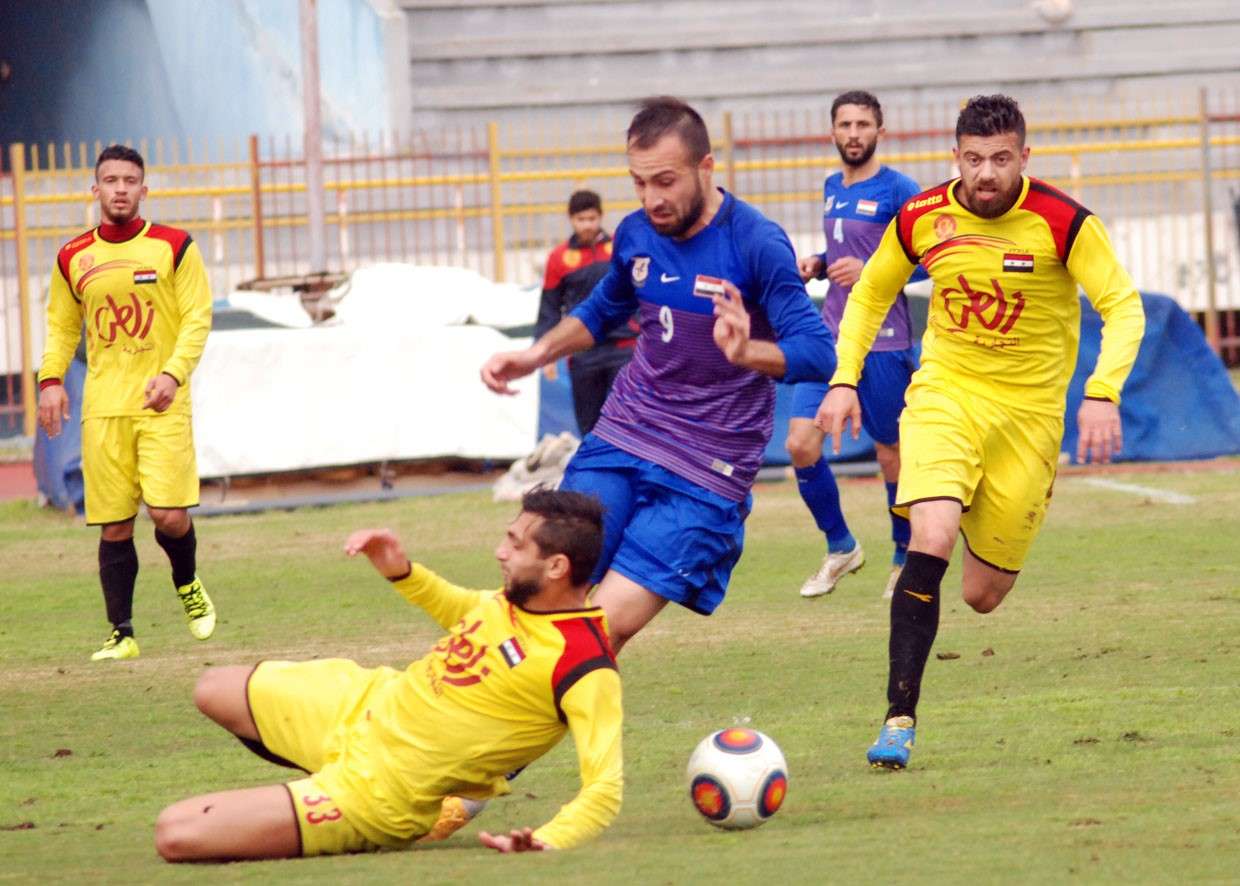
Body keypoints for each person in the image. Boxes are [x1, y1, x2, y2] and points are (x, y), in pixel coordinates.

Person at [817, 95, 1145, 769]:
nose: (986, 174)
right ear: (955, 157)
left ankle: (973, 506)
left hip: (1027, 420)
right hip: (947, 396)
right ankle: (898, 719)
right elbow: (872, 292)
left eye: (1001, 159)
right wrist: (844, 376)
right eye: (973, 160)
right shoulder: (923, 216)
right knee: (929, 535)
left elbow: (1123, 307)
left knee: (981, 595)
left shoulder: (1064, 222)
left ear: (1025, 156)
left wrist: (1101, 392)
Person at [482, 96, 836, 655]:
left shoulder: (756, 242)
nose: (651, 199)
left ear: (706, 167)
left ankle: (581, 737)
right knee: (542, 592)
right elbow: (603, 309)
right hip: (625, 433)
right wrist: (533, 355)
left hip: (705, 465)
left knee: (600, 628)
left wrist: (749, 353)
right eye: (639, 183)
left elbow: (818, 353)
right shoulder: (636, 234)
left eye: (665, 181)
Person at [154, 488, 622, 861]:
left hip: (381, 790)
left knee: (175, 832)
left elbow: (603, 788)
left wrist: (550, 838)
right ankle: (313, 786)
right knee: (212, 688)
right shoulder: (514, 599)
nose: (500, 552)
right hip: (363, 707)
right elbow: (463, 608)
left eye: (516, 545)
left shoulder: (584, 665)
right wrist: (401, 571)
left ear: (557, 566)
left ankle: (333, 806)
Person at [37, 145, 215, 661]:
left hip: (161, 402)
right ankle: (122, 633)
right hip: (104, 407)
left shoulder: (174, 246)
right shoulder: (73, 256)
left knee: (167, 514)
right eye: (110, 180)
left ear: (144, 189)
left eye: (129, 180)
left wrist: (172, 374)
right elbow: (61, 327)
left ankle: (187, 582)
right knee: (114, 523)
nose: (120, 189)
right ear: (94, 189)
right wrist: (51, 381)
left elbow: (196, 319)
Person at [790, 90, 925, 601]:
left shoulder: (899, 189)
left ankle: (902, 552)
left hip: (884, 341)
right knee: (802, 443)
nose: (853, 133)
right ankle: (841, 545)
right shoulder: (830, 186)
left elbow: (931, 256)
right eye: (844, 124)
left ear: (879, 132)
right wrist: (822, 262)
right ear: (832, 132)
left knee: (892, 453)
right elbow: (847, 249)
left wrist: (872, 271)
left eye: (863, 124)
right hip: (831, 335)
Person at [535, 190, 637, 436]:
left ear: (600, 217)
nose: (587, 225)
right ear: (571, 220)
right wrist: (545, 353)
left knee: (624, 420)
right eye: (581, 220)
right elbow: (550, 308)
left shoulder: (619, 248)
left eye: (592, 219)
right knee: (589, 424)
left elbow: (639, 294)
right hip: (582, 352)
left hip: (623, 348)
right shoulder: (559, 259)